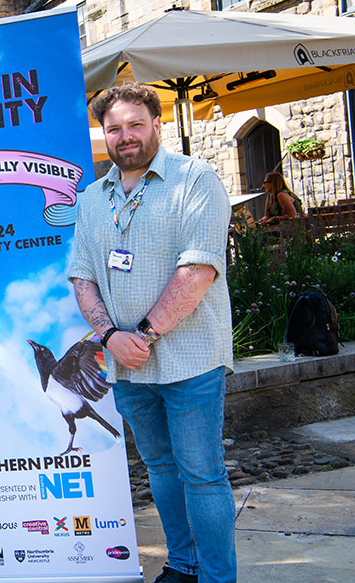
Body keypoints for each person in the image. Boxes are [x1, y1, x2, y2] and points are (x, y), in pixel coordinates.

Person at [68, 82, 235, 583]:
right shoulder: (91, 198)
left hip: (190, 360)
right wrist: (109, 337)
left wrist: (140, 335)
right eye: (114, 128)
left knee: (202, 474)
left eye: (135, 124)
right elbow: (82, 276)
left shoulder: (195, 180)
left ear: (157, 125)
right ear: (104, 135)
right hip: (127, 366)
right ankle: (183, 566)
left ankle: (216, 578)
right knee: (160, 468)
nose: (126, 136)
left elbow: (198, 271)